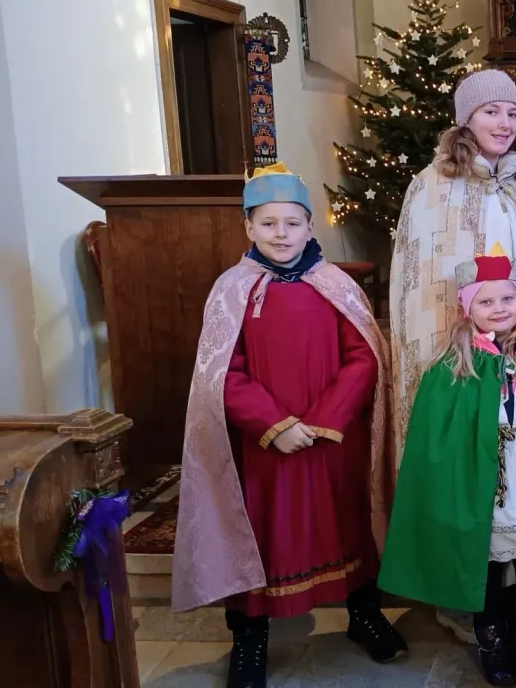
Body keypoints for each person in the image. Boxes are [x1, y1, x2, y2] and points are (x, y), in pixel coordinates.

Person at [172, 164, 405, 688]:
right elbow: (221, 373)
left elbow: (364, 358)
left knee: (348, 525)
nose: (282, 234)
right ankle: (249, 639)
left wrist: (323, 421)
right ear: (248, 227)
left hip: (332, 441)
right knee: (260, 536)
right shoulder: (232, 290)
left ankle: (363, 615)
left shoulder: (336, 285)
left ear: (310, 227)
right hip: (264, 449)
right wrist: (274, 423)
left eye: (292, 223)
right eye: (269, 223)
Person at [380, 243, 516, 686]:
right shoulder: (453, 366)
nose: (499, 308)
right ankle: (492, 635)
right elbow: (438, 436)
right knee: (484, 560)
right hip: (479, 479)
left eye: (507, 298)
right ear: (468, 308)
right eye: (486, 301)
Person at [390, 69, 516, 444]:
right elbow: (420, 285)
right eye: (492, 112)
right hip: (461, 341)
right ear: (467, 119)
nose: (504, 124)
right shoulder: (431, 186)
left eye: (513, 114)